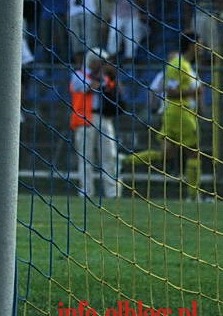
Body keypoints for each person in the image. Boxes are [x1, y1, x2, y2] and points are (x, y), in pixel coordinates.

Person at [121, 35, 207, 201]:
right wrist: (193, 92)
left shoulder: (186, 65)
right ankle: (194, 196)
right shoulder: (178, 65)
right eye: (200, 45)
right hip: (180, 113)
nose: (202, 49)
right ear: (191, 46)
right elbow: (171, 92)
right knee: (194, 152)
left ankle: (125, 161)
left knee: (166, 154)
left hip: (175, 113)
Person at [69, 50, 119, 199]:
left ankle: (112, 192)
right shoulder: (78, 75)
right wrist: (101, 81)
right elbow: (91, 87)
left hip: (104, 118)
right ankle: (86, 191)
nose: (104, 65)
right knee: (85, 157)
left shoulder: (106, 77)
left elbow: (113, 90)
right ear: (92, 61)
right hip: (85, 119)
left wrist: (111, 77)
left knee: (109, 155)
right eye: (101, 62)